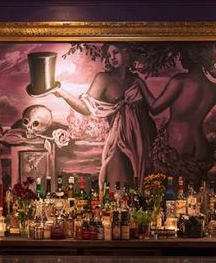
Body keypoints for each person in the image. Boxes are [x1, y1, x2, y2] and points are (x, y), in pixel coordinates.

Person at [136, 44, 216, 183]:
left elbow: (154, 108)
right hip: (201, 145)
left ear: (192, 58)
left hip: (177, 144)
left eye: (183, 56)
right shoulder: (214, 89)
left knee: (173, 191)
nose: (180, 60)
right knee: (196, 191)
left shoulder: (179, 81)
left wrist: (140, 83)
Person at [52, 43, 155, 188]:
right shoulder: (103, 78)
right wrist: (62, 93)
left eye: (116, 52)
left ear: (127, 53)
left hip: (142, 140)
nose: (112, 57)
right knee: (117, 182)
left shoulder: (136, 80)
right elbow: (86, 108)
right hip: (119, 140)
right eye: (108, 55)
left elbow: (154, 107)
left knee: (141, 186)